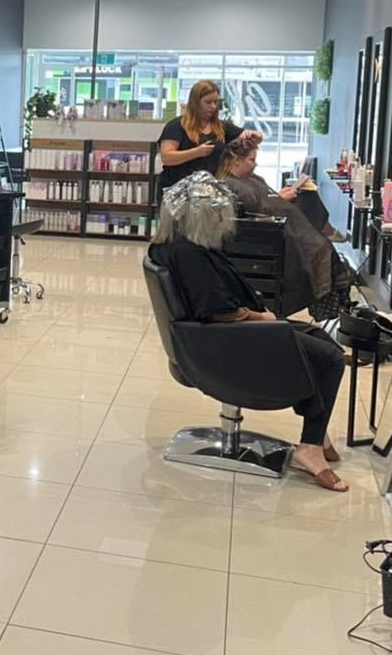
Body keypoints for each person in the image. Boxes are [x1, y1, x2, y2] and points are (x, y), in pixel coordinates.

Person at [148, 173, 348, 492]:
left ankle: (315, 430)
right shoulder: (190, 254)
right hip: (224, 344)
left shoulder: (174, 244)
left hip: (213, 340)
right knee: (330, 359)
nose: (224, 220)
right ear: (199, 215)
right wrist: (260, 317)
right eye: (218, 214)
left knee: (321, 342)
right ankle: (311, 444)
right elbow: (220, 312)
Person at [216, 141, 354, 319]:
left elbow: (264, 201)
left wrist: (278, 196)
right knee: (321, 251)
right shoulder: (235, 186)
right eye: (252, 160)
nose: (255, 164)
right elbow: (260, 210)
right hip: (280, 234)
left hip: (289, 225)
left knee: (312, 209)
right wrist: (280, 199)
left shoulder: (251, 179)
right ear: (236, 160)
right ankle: (328, 238)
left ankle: (327, 235)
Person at [158, 80, 262, 190]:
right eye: (208, 102)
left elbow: (250, 139)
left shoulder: (221, 127)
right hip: (177, 191)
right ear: (195, 103)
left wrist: (255, 136)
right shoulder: (176, 126)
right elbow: (167, 158)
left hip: (209, 191)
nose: (213, 106)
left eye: (215, 102)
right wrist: (196, 152)